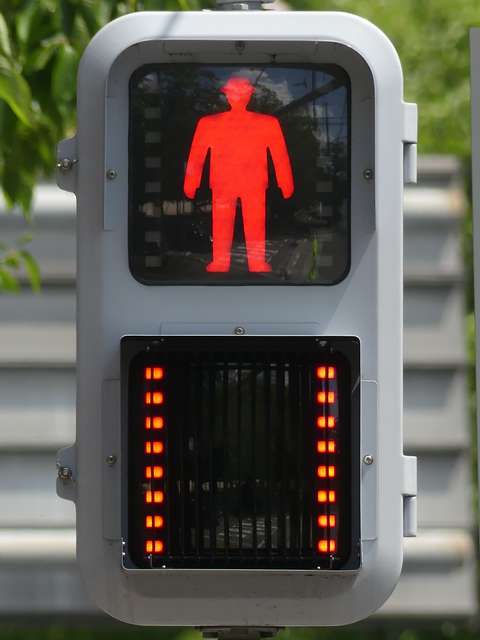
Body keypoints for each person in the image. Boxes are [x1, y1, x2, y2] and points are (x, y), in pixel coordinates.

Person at [184, 76, 294, 273]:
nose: (237, 97)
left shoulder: (266, 123)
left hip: (247, 182)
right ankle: (226, 262)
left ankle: (248, 262)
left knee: (249, 223)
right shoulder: (210, 123)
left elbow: (280, 156)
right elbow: (196, 156)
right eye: (234, 93)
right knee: (226, 223)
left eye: (239, 93)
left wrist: (286, 183)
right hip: (229, 182)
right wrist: (191, 182)